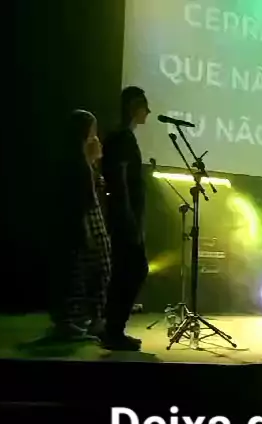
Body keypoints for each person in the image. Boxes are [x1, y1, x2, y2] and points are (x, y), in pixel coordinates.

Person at [48, 110, 111, 341]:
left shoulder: (81, 160)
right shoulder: (77, 163)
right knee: (87, 271)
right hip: (84, 221)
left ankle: (82, 320)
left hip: (82, 221)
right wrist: (86, 231)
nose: (96, 136)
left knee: (85, 272)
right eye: (93, 130)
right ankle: (74, 322)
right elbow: (85, 200)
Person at [100, 86, 150, 351]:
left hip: (126, 216)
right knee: (132, 270)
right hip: (124, 218)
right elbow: (119, 181)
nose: (148, 112)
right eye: (144, 105)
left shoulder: (124, 137)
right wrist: (129, 218)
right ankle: (113, 330)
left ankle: (113, 328)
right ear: (133, 107)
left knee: (127, 270)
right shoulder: (122, 138)